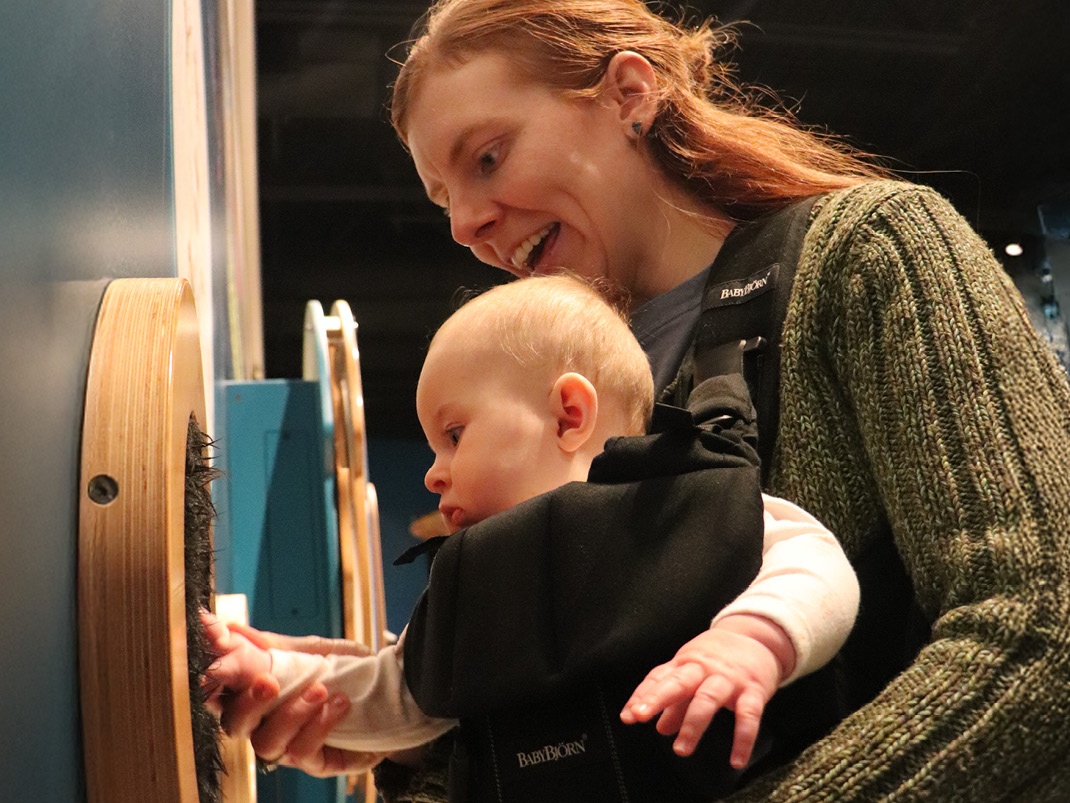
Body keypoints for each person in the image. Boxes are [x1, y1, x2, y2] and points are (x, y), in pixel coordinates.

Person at [228, 1, 1070, 800]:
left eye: (486, 158)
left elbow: (1041, 632)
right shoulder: (578, 411)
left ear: (630, 94)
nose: (469, 225)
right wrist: (421, 735)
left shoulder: (866, 254)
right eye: (446, 201)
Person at [208, 274, 859, 801]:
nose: (433, 471)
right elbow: (397, 695)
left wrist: (749, 642)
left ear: (568, 415)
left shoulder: (681, 508)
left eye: (455, 434)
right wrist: (270, 676)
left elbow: (815, 563)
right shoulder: (480, 586)